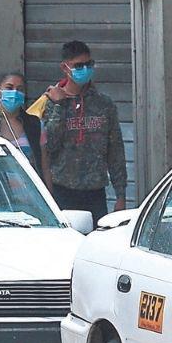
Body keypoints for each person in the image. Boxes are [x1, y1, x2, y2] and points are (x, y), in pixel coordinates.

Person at [43, 40, 127, 227]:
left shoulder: (104, 104)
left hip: (95, 191)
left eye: (88, 65)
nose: (85, 70)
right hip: (62, 190)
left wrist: (120, 195)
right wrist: (58, 105)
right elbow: (50, 145)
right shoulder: (51, 102)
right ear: (65, 68)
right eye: (78, 66)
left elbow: (115, 151)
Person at [0, 71, 53, 189]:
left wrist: (50, 196)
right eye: (9, 88)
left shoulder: (36, 125)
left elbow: (44, 166)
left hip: (31, 198)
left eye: (19, 89)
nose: (15, 92)